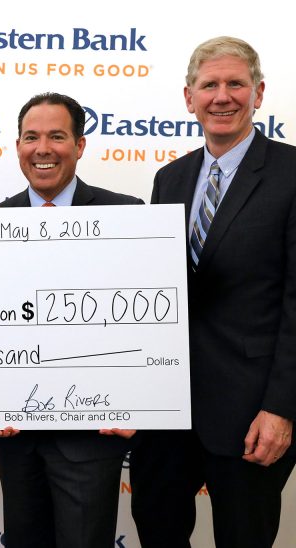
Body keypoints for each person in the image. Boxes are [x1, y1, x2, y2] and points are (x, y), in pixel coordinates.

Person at [130, 36, 296, 548]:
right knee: (157, 533)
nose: (222, 96)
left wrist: (282, 408)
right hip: (168, 414)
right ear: (189, 98)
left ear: (259, 93)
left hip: (250, 412)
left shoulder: (292, 174)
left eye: (235, 84)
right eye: (209, 85)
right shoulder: (169, 179)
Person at [0, 92, 142, 548]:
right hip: (17, 437)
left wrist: (140, 399)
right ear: (17, 146)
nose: (43, 148)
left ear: (80, 145)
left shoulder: (127, 216)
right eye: (31, 137)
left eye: (57, 136)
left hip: (93, 435)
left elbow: (148, 323)